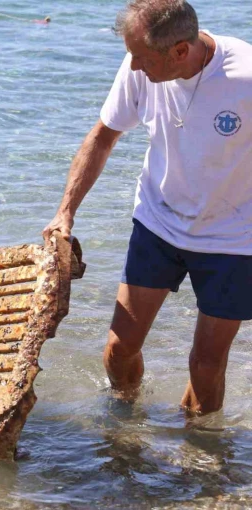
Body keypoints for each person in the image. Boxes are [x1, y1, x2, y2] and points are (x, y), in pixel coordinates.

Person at [43, 0, 252, 415]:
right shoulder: (138, 64)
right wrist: (65, 210)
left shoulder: (245, 78)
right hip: (157, 224)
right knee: (119, 351)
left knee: (205, 368)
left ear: (179, 51)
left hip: (233, 238)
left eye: (142, 58)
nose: (134, 67)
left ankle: (195, 462)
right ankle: (125, 425)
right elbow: (103, 136)